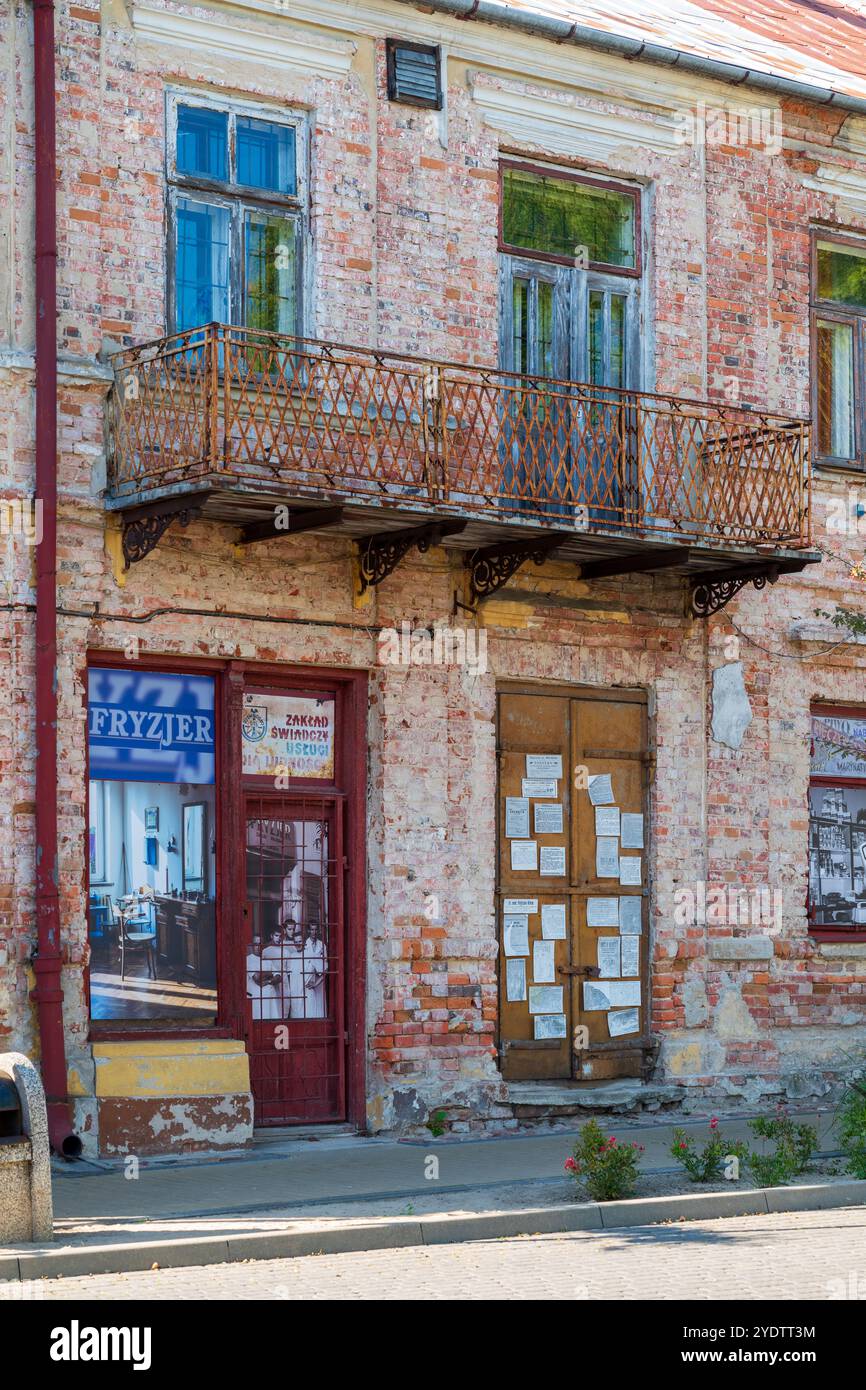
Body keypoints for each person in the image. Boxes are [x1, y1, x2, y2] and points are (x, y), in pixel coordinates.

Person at [246, 932, 283, 1021]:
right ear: (252, 945)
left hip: (270, 1000)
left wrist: (268, 981)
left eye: (260, 944)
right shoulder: (248, 959)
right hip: (256, 1000)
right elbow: (257, 978)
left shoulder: (268, 961)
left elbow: (279, 977)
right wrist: (270, 974)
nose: (258, 947)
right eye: (256, 944)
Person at [302, 921, 326, 1018]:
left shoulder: (322, 945)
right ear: (308, 930)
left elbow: (325, 962)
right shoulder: (304, 944)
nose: (314, 932)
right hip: (307, 978)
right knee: (308, 1005)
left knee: (320, 1004)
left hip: (319, 978)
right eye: (312, 929)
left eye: (316, 929)